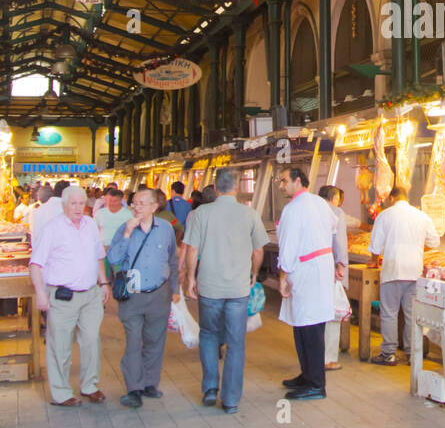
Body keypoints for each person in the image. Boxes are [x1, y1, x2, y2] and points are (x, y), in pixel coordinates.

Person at [182, 167, 267, 414]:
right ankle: (230, 399)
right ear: (237, 186)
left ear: (216, 187)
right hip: (238, 289)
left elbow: (192, 251)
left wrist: (190, 279)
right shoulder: (249, 214)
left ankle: (210, 388)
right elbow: (258, 250)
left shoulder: (201, 214)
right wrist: (253, 273)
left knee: (208, 335)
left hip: (209, 287)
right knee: (236, 342)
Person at [29, 184, 111, 406]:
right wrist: (40, 293)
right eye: (73, 203)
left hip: (90, 295)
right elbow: (36, 264)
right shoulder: (52, 228)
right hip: (62, 297)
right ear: (64, 205)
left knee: (92, 341)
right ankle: (61, 392)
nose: (77, 207)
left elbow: (98, 256)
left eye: (81, 203)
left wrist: (103, 283)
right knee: (60, 346)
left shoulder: (90, 225)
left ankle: (90, 385)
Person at [108, 186, 180, 409]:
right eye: (134, 202)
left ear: (154, 207)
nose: (136, 206)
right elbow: (113, 257)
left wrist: (175, 289)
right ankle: (134, 388)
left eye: (141, 203)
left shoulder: (166, 228)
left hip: (159, 293)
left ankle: (150, 383)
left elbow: (172, 260)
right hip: (132, 295)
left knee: (155, 341)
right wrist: (128, 234)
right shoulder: (125, 228)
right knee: (132, 342)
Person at [277, 167, 342, 400]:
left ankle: (316, 383)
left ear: (297, 180)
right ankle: (307, 374)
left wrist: (283, 275)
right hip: (317, 266)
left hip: (306, 269)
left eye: (284, 181)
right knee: (303, 323)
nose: (281, 185)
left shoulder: (293, 209)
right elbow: (334, 227)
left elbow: (287, 244)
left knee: (310, 326)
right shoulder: (319, 203)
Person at [369, 185, 439, 366]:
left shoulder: (385, 215)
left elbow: (376, 246)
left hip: (393, 270)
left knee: (389, 313)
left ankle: (389, 353)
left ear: (392, 199)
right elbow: (435, 241)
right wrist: (417, 248)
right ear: (406, 198)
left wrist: (373, 260)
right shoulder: (421, 216)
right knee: (412, 314)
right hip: (414, 271)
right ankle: (412, 354)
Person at [318, 185, 348, 371]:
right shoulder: (336, 212)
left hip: (313, 269)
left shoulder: (312, 211)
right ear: (334, 198)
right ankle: (328, 358)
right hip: (329, 267)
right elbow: (340, 242)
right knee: (332, 314)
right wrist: (341, 264)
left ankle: (314, 354)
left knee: (317, 312)